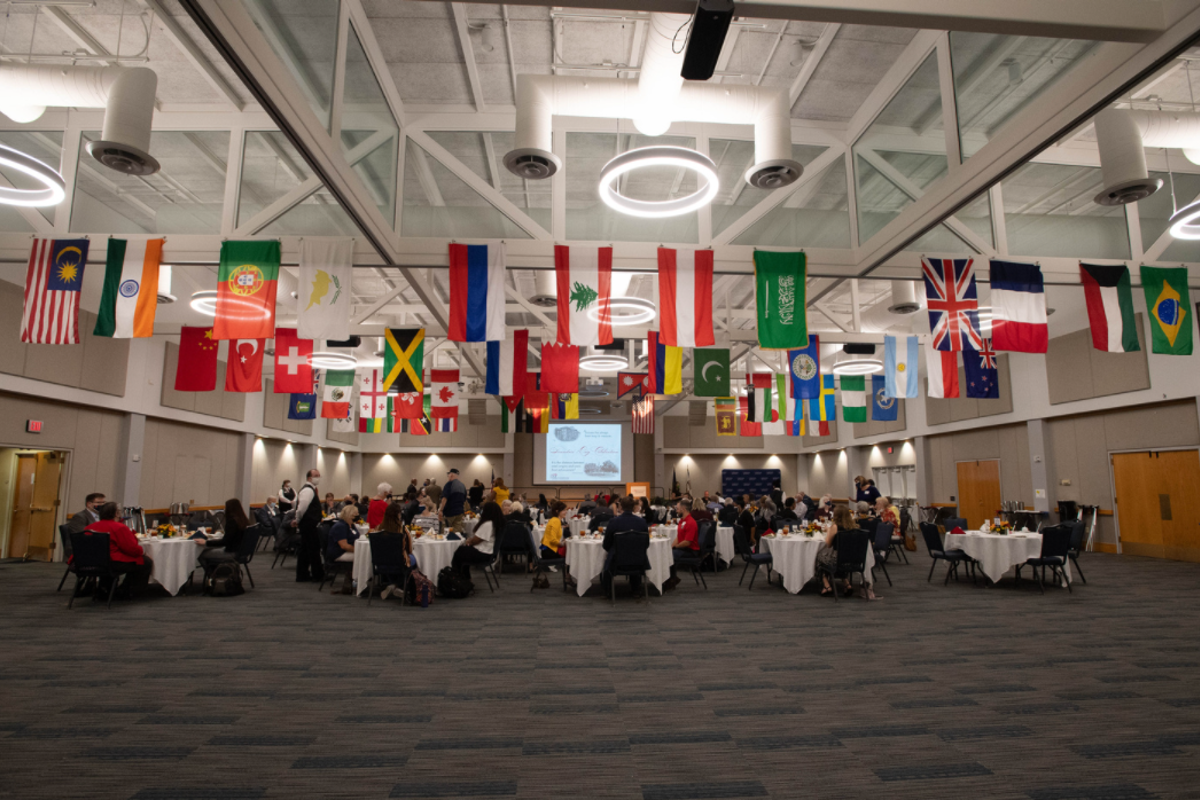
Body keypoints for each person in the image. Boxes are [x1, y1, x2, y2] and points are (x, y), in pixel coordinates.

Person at [82, 502, 154, 599]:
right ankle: (130, 591)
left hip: (89, 562)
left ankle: (106, 588)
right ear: (116, 514)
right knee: (145, 562)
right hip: (112, 562)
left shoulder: (89, 527)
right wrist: (141, 551)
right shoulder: (119, 527)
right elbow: (132, 549)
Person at [601, 495, 650, 597]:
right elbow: (646, 544)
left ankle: (607, 591)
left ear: (621, 507)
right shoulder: (642, 522)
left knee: (609, 557)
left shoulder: (614, 522)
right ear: (633, 507)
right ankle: (636, 589)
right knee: (634, 553)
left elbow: (606, 544)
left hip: (617, 561)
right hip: (638, 561)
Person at [375, 501, 417, 599]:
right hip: (399, 562)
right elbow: (410, 549)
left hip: (380, 563)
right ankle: (399, 585)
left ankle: (392, 584)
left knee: (393, 562)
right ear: (398, 514)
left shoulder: (378, 529)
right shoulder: (402, 529)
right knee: (413, 559)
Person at [451, 500, 502, 577]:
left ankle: (458, 576)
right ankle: (465, 576)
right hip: (488, 552)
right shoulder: (494, 523)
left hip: (483, 553)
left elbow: (477, 540)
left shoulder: (487, 524)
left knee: (458, 553)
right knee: (463, 551)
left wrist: (469, 541)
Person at [293, 469, 325, 583]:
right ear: (309, 478)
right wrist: (297, 519)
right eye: (316, 475)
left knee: (306, 550)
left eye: (319, 475)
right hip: (309, 525)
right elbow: (301, 508)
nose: (318, 477)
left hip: (308, 524)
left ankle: (303, 575)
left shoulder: (311, 489)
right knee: (313, 549)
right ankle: (317, 575)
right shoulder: (308, 490)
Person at [817, 504, 856, 596]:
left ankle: (826, 585)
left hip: (837, 559)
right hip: (852, 559)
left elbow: (828, 544)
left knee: (819, 557)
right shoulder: (854, 527)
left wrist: (829, 531)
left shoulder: (835, 527)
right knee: (835, 561)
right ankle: (846, 583)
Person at [201, 498, 250, 567]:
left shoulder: (232, 522)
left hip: (232, 552)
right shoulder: (244, 521)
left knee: (202, 554)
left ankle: (213, 574)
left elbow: (225, 542)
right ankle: (219, 572)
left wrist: (206, 542)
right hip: (241, 552)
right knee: (212, 549)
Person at [665, 498, 700, 590]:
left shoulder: (690, 522)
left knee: (671, 555)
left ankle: (671, 580)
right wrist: (671, 547)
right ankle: (671, 578)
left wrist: (676, 547)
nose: (676, 510)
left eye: (678, 508)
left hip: (691, 550)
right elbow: (679, 537)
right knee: (668, 553)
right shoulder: (682, 521)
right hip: (684, 548)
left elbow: (687, 542)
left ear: (683, 509)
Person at [325, 506, 360, 593]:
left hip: (347, 550)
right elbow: (344, 546)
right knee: (362, 557)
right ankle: (357, 582)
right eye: (356, 514)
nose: (358, 516)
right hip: (338, 553)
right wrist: (359, 550)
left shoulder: (351, 525)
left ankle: (357, 581)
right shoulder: (340, 526)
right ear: (350, 515)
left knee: (364, 556)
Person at [438, 468, 467, 533]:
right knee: (456, 534)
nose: (448, 477)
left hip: (449, 513)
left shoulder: (449, 484)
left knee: (445, 532)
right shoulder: (462, 486)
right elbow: (464, 500)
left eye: (448, 475)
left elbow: (444, 498)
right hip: (459, 513)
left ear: (451, 475)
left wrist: (441, 510)